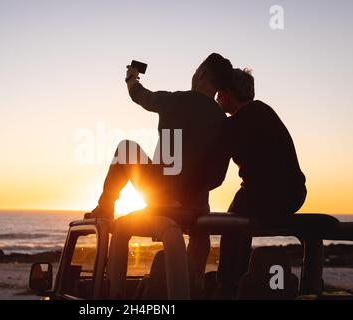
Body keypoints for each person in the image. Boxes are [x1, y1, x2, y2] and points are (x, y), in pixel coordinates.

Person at [84, 53, 233, 296]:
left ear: (202, 73)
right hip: (196, 206)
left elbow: (139, 95)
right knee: (199, 235)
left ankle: (105, 206)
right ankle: (193, 286)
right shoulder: (222, 119)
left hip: (162, 199)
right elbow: (218, 176)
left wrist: (131, 78)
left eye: (197, 70)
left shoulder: (175, 101)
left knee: (126, 147)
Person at [214, 68, 307, 299]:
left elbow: (215, 176)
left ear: (226, 94)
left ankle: (227, 287)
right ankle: (235, 282)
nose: (216, 98)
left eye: (218, 94)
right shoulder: (265, 109)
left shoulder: (232, 125)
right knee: (240, 212)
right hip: (296, 193)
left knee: (231, 221)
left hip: (264, 196)